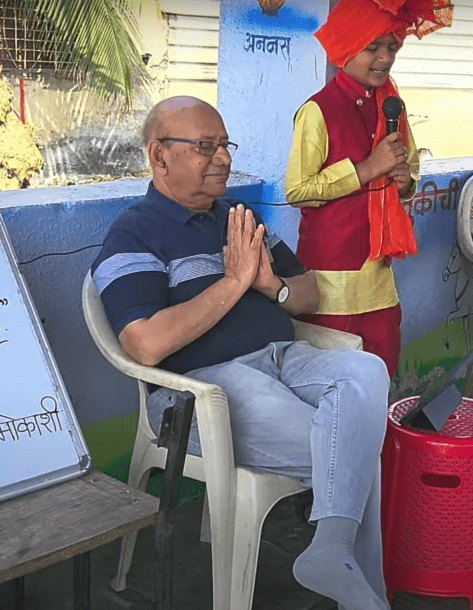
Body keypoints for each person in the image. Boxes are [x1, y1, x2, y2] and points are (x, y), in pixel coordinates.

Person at [92, 97, 391, 610]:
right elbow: (144, 343)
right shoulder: (134, 233)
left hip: (283, 359)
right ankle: (362, 593)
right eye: (205, 147)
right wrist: (233, 284)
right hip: (205, 387)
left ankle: (331, 552)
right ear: (158, 156)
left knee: (366, 371)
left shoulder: (238, 217)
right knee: (355, 447)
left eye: (224, 145)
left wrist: (270, 285)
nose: (223, 158)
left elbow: (308, 294)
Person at [285, 0, 453, 377]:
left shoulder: (392, 105)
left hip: (378, 278)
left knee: (381, 378)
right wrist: (365, 169)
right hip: (329, 282)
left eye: (391, 47)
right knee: (334, 388)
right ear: (346, 47)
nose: (385, 58)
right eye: (373, 48)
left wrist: (404, 181)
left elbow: (407, 167)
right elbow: (297, 190)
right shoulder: (318, 110)